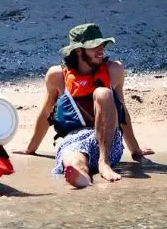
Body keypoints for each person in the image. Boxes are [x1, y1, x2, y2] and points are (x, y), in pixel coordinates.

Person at [15, 23, 153, 187]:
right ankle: (81, 175)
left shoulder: (114, 70)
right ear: (78, 50)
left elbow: (122, 112)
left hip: (109, 143)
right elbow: (46, 113)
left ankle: (104, 163)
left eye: (102, 44)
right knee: (73, 159)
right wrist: (31, 148)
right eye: (94, 46)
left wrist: (135, 150)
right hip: (74, 140)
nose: (100, 49)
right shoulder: (57, 76)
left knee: (103, 93)